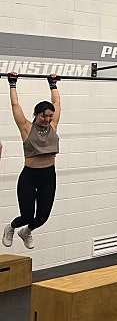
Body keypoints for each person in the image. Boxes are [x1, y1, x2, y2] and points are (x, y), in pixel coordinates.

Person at [3, 72, 60, 249]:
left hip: (48, 176)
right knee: (27, 216)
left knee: (42, 217)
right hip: (29, 176)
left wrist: (53, 84)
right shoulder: (26, 128)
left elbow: (57, 103)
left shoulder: (53, 125)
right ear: (36, 114)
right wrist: (12, 83)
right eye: (44, 116)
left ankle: (26, 232)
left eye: (50, 116)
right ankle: (10, 228)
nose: (47, 119)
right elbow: (15, 105)